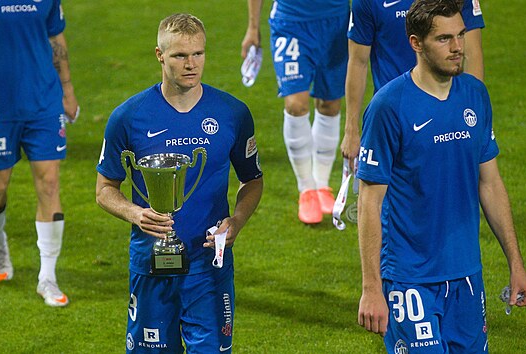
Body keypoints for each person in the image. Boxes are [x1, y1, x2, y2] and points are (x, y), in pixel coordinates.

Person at [355, 0, 526, 351]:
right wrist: (371, 287)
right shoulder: (388, 106)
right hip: (410, 278)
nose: (457, 48)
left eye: (461, 35)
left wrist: (516, 263)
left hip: (467, 274)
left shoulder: (475, 95)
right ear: (416, 43)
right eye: (444, 39)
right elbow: (369, 202)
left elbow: (491, 183)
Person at [96, 13, 263, 353]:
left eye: (198, 54)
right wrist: (134, 213)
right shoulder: (128, 118)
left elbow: (253, 181)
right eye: (180, 56)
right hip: (151, 264)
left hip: (208, 267)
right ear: (160, 55)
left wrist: (238, 221)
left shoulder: (233, 113)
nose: (191, 64)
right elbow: (104, 190)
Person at [0, 0, 79, 307]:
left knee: (50, 183)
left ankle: (48, 276)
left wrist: (67, 91)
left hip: (44, 103)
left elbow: (56, 37)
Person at [342, 0, 485, 170]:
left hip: (447, 109)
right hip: (393, 117)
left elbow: (472, 51)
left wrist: (474, 109)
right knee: (387, 190)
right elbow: (358, 62)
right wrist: (351, 129)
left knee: (453, 185)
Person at [241, 0, 348, 224]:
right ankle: (307, 188)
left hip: (337, 22)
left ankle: (322, 185)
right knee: (295, 104)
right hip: (291, 23)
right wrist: (253, 27)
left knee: (330, 103)